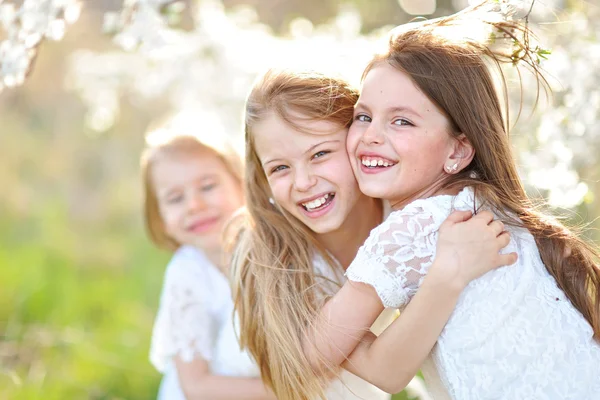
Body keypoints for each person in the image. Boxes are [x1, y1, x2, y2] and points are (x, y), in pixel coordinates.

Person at [301, 2, 600, 399]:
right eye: (363, 116)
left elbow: (313, 354)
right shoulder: (485, 203)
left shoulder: (418, 227)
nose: (371, 135)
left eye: (402, 121)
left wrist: (298, 304)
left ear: (458, 152)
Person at [230, 67, 516, 400]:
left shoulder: (412, 208)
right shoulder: (272, 262)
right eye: (280, 168)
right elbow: (377, 373)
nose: (303, 182)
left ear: (359, 141)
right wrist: (446, 274)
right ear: (262, 179)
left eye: (320, 154)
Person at [142, 113, 275, 400]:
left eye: (208, 186)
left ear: (242, 185)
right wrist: (287, 392)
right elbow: (196, 387)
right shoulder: (187, 274)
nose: (195, 205)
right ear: (162, 219)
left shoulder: (274, 247)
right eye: (175, 199)